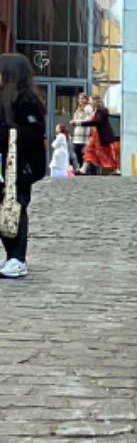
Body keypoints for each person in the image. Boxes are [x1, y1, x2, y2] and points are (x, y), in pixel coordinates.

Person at [0, 55, 48, 278]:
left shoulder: (26, 100)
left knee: (16, 208)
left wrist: (7, 134)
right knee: (4, 210)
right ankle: (11, 256)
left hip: (20, 168)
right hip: (5, 165)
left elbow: (34, 133)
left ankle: (17, 258)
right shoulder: (4, 98)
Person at [80, 96, 119, 175]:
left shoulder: (102, 111)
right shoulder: (96, 110)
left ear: (95, 101)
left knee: (107, 153)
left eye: (90, 100)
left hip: (101, 137)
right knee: (89, 151)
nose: (89, 102)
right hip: (94, 136)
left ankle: (115, 169)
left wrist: (80, 123)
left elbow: (97, 121)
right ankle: (83, 169)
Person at [69, 92, 93, 172]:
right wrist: (74, 122)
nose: (80, 100)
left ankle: (86, 174)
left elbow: (89, 120)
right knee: (76, 158)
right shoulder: (78, 109)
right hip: (77, 138)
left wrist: (76, 122)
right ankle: (78, 173)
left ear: (86, 99)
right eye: (79, 98)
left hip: (84, 139)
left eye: (82, 98)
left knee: (84, 158)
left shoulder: (88, 108)